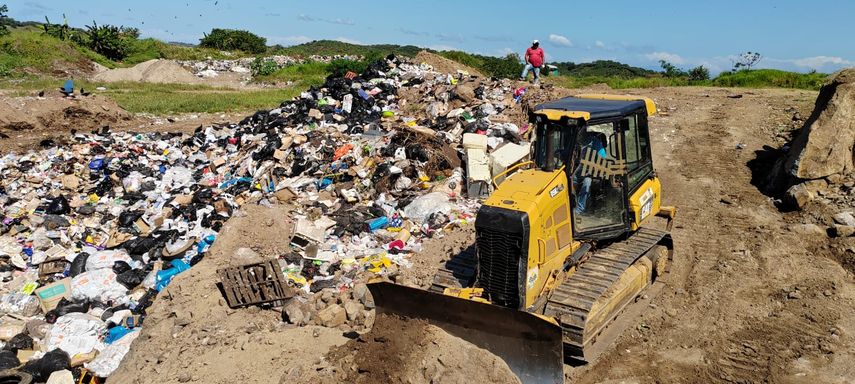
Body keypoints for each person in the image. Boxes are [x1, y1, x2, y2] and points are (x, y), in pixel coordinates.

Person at [574, 132, 607, 214]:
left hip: (587, 172)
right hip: (574, 171)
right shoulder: (573, 139)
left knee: (587, 183)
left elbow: (603, 156)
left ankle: (579, 209)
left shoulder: (594, 141)